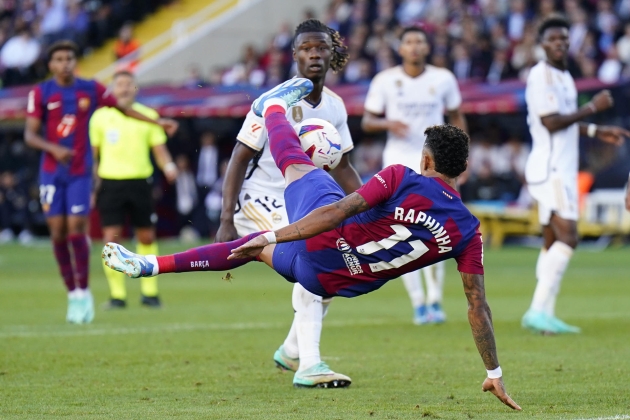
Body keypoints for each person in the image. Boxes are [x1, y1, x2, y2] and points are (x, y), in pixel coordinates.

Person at [103, 79, 521, 411]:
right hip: (325, 279)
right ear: (462, 170)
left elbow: (339, 212)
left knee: (302, 171)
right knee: (253, 247)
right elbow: (476, 305)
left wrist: (275, 232)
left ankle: (273, 110)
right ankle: (151, 266)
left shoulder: (401, 177)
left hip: (324, 240)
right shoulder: (468, 229)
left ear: (426, 161)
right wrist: (494, 370)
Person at [214, 19, 362, 388]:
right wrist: (226, 217)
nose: (314, 53)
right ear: (295, 55)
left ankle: (293, 349)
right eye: (306, 48)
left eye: (321, 47)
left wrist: (367, 204)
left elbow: (342, 164)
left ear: (332, 53)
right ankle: (309, 364)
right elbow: (239, 156)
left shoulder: (334, 106)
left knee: (330, 267)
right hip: (260, 199)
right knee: (313, 260)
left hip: (302, 202)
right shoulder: (274, 101)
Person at [24, 40, 177, 324]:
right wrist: (55, 149)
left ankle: (84, 291)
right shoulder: (41, 92)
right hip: (54, 172)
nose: (65, 63)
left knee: (78, 228)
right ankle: (74, 292)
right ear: (51, 65)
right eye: (59, 59)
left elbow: (125, 110)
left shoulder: (90, 88)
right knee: (58, 231)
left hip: (83, 172)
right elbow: (30, 136)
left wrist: (158, 124)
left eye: (69, 58)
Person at [521, 15, 629, 334]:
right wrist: (593, 108)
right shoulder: (541, 75)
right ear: (542, 44)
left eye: (564, 38)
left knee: (552, 238)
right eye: (553, 39)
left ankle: (546, 314)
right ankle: (537, 310)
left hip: (561, 167)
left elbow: (567, 122)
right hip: (552, 168)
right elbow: (551, 122)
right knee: (569, 236)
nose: (560, 43)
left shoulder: (565, 76)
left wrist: (596, 129)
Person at [362, 26, 467, 325]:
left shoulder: (443, 79)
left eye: (419, 41)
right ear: (401, 48)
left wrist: (461, 156)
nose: (415, 46)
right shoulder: (385, 80)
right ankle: (418, 303)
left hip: (435, 165)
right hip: (398, 166)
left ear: (427, 47)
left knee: (439, 231)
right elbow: (368, 120)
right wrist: (388, 124)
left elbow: (457, 115)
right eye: (409, 41)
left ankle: (435, 300)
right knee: (402, 233)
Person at [90, 70, 178, 309]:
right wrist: (92, 186)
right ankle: (117, 295)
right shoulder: (100, 117)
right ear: (112, 89)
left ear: (135, 89)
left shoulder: (148, 115)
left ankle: (150, 292)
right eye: (120, 84)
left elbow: (159, 148)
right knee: (111, 239)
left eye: (129, 84)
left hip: (141, 182)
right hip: (111, 183)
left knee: (146, 236)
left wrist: (169, 166)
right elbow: (94, 156)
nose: (125, 88)